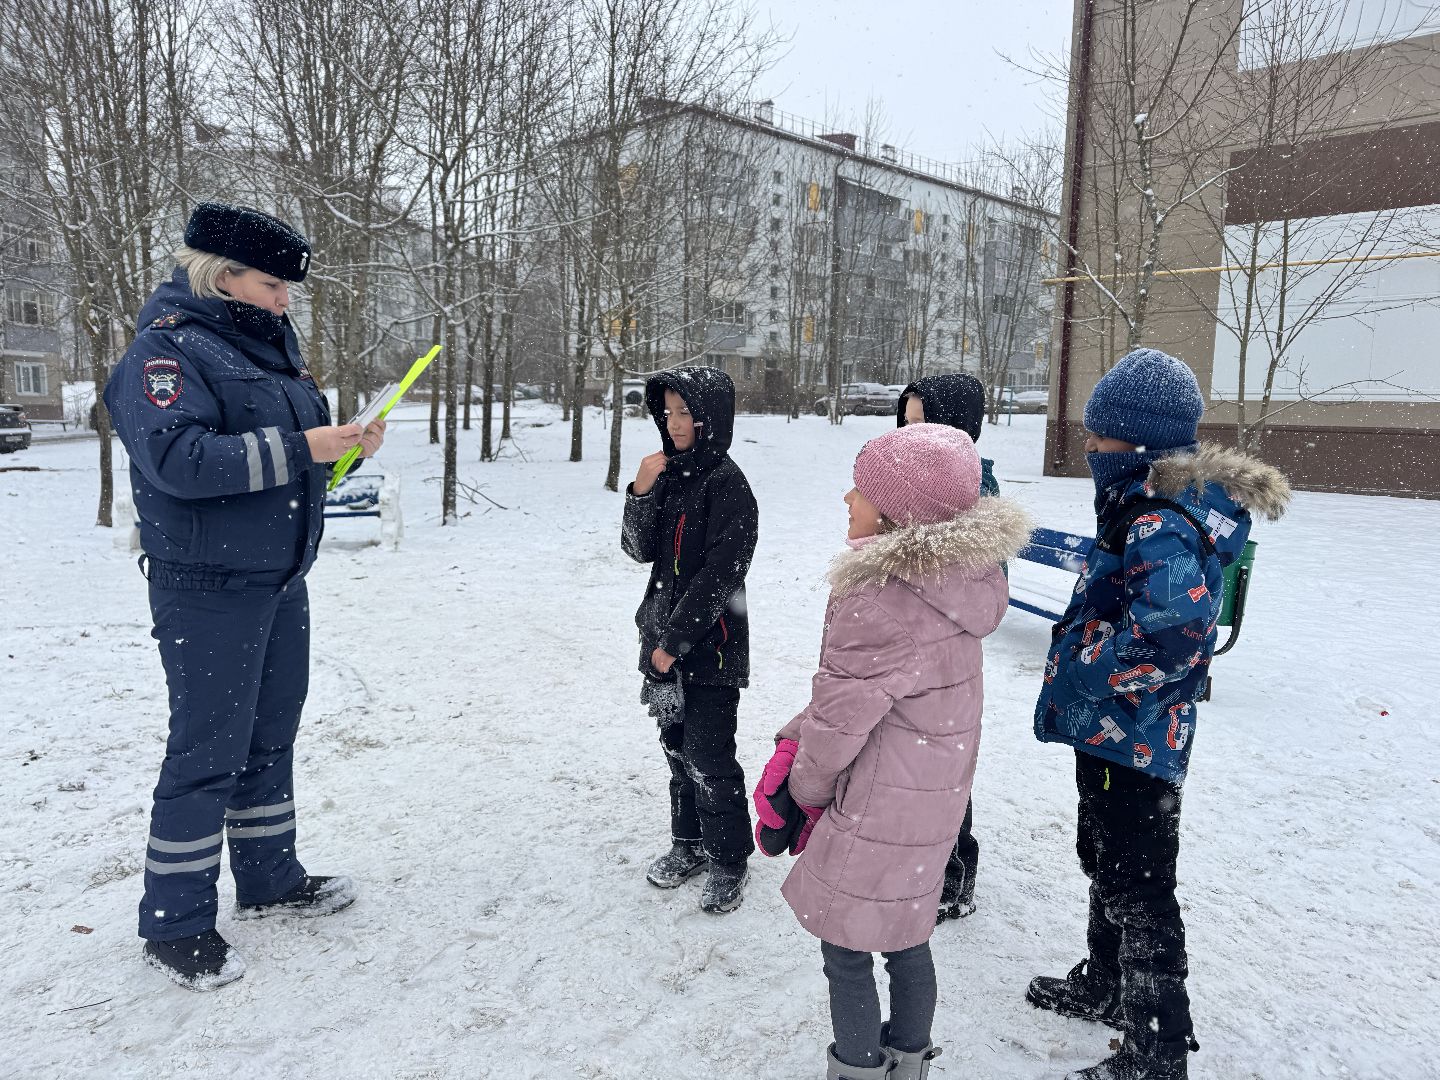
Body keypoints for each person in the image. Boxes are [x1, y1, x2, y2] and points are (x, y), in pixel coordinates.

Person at [103, 202, 385, 990]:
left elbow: (297, 472)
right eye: (273, 285)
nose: (286, 300)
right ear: (221, 276)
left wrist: (346, 453)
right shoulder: (166, 354)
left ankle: (267, 877)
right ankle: (178, 920)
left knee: (269, 738)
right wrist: (304, 445)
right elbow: (180, 462)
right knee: (207, 751)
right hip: (206, 587)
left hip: (276, 576)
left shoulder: (268, 352)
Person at [1027, 348, 1290, 1080]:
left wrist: (1083, 671)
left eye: (1100, 437)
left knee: (1138, 882)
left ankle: (1156, 1047)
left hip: (1134, 735)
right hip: (1118, 731)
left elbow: (1170, 636)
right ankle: (1107, 983)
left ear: (1137, 445)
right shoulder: (1144, 505)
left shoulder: (1158, 519)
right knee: (1106, 859)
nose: (1089, 448)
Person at [753, 423, 1032, 1080]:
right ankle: (909, 1064)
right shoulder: (961, 581)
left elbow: (840, 723)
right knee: (908, 937)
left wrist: (801, 790)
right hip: (931, 797)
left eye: (862, 489)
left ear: (898, 511)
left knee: (846, 949)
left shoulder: (879, 596)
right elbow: (872, 695)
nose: (847, 498)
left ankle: (856, 1068)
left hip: (877, 800)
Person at [621, 367, 758, 914]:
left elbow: (718, 580)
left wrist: (674, 643)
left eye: (685, 414)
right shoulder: (671, 474)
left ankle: (728, 858)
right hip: (661, 643)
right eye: (668, 412)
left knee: (709, 754)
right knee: (676, 750)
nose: (674, 424)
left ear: (710, 420)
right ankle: (690, 842)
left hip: (712, 650)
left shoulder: (730, 487)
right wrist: (641, 491)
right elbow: (638, 548)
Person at [896, 372, 996, 921]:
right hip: (906, 650)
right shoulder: (906, 482)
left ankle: (955, 873)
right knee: (910, 770)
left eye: (922, 424)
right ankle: (926, 863)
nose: (909, 435)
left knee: (945, 768)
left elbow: (980, 589)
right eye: (905, 423)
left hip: (946, 659)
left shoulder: (975, 492)